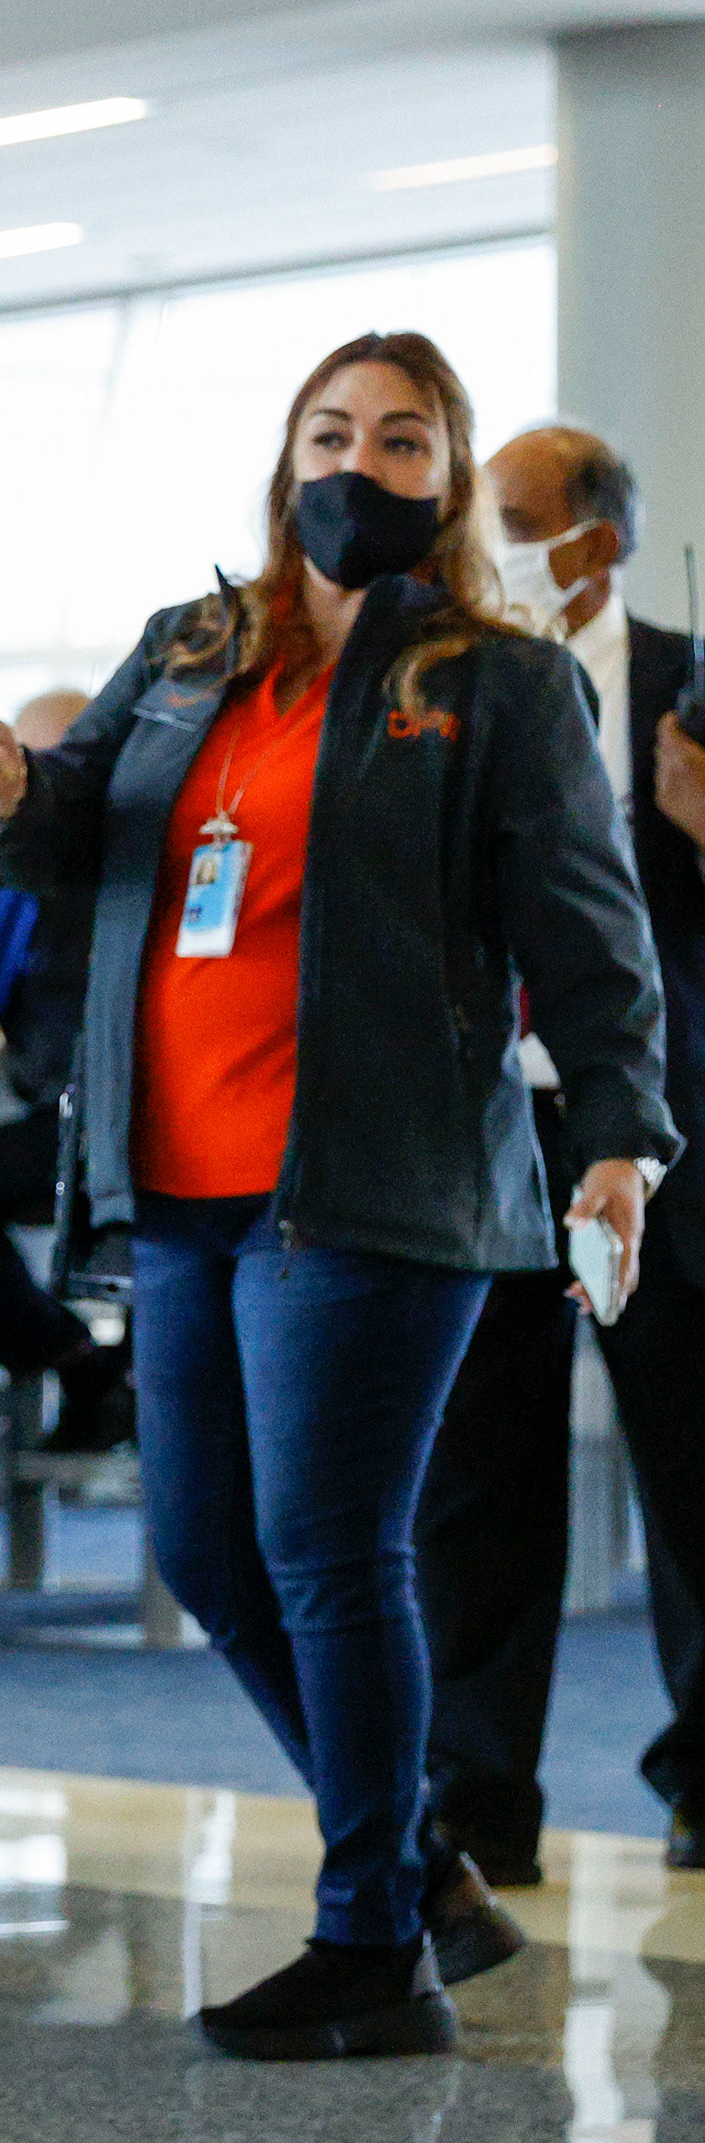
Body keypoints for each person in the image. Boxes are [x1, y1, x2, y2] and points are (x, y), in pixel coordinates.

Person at [0, 334, 676, 2060]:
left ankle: (373, 1943)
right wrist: (4, 795)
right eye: (331, 431)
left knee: (331, 1550)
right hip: (176, 1178)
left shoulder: (494, 680)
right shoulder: (193, 650)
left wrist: (623, 1136)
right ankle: (417, 1865)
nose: (361, 460)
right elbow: (67, 848)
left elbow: (588, 929)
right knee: (205, 1544)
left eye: (401, 438)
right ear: (286, 458)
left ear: (445, 471)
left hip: (373, 1179)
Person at [416, 422, 705, 1879]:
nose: (500, 543)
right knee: (478, 1481)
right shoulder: (452, 685)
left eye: (523, 517)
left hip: (657, 1139)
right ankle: (479, 1798)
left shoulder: (689, 687)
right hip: (489, 1140)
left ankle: (704, 1771)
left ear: (602, 538)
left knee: (694, 1467)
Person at [0, 690, 123, 1588]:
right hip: (173, 1139)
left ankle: (80, 1362)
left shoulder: (25, 847)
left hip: (77, 1136)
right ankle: (105, 1369)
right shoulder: (162, 840)